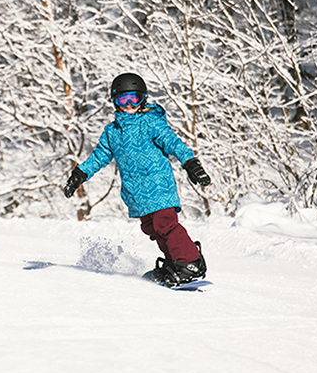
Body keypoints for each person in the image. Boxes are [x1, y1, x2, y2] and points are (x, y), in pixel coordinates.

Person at [63, 72, 212, 287]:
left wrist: (190, 163)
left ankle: (190, 262)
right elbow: (99, 157)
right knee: (153, 229)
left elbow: (173, 143)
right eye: (123, 99)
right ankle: (174, 263)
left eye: (135, 98)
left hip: (159, 186)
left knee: (166, 224)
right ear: (115, 101)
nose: (130, 104)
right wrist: (80, 174)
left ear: (143, 99)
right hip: (137, 194)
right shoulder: (112, 132)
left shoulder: (151, 123)